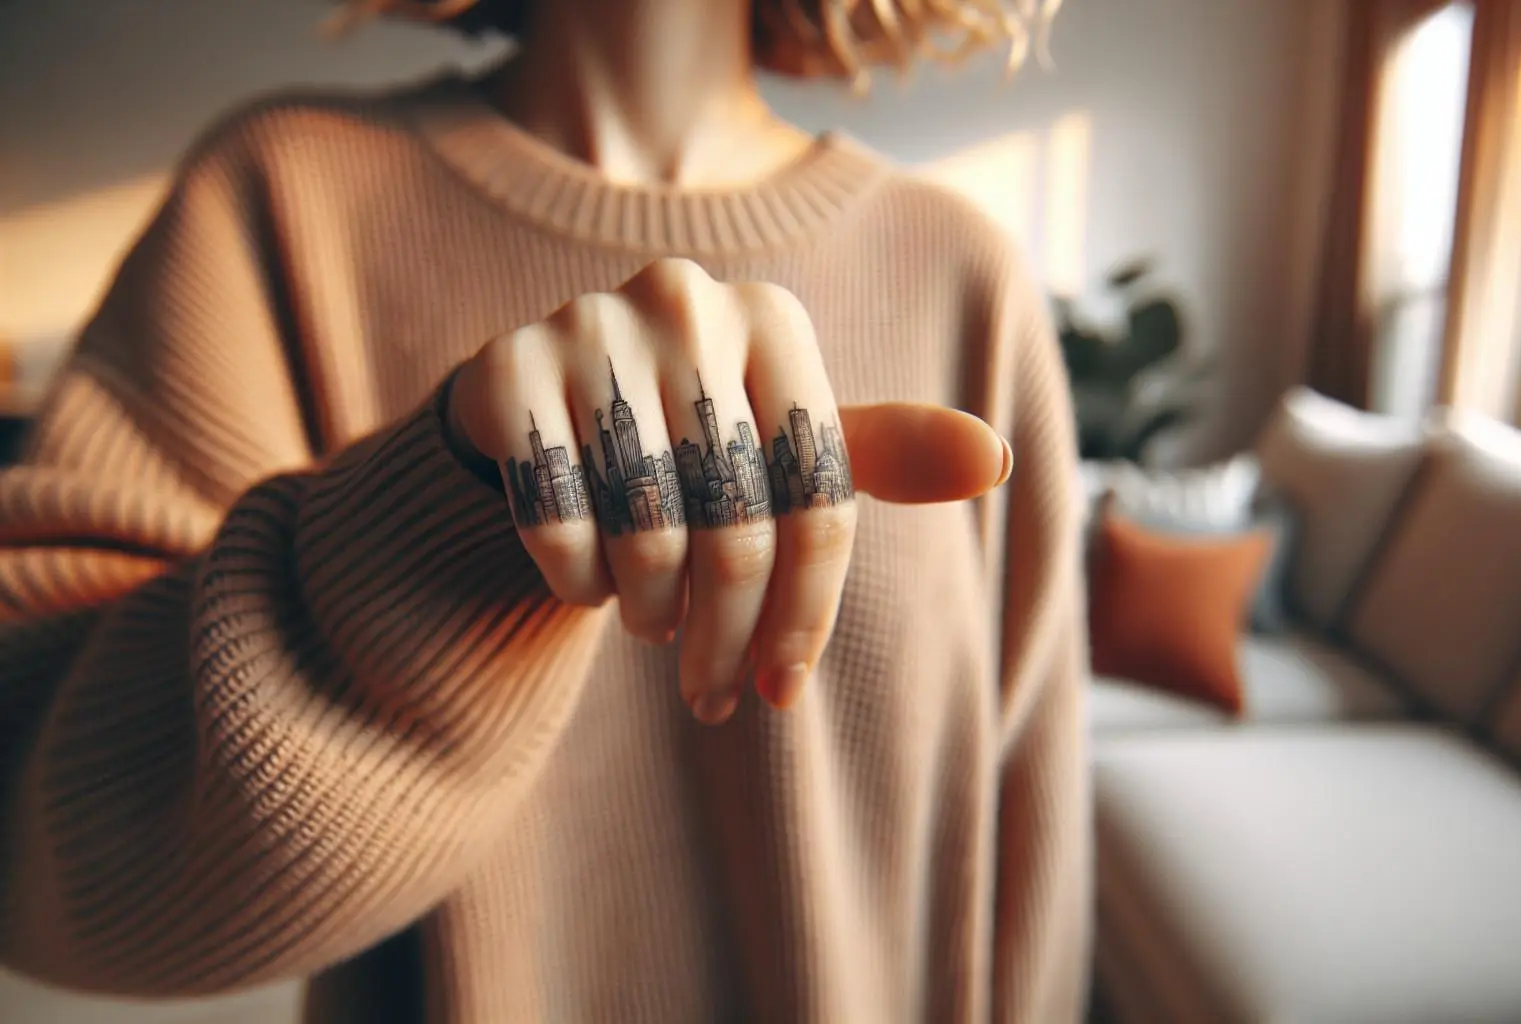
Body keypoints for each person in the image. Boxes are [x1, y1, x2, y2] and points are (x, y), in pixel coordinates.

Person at [0, 0, 1090, 1020]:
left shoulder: (959, 275)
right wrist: (451, 513)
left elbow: (1028, 875)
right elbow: (43, 841)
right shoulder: (282, 200)